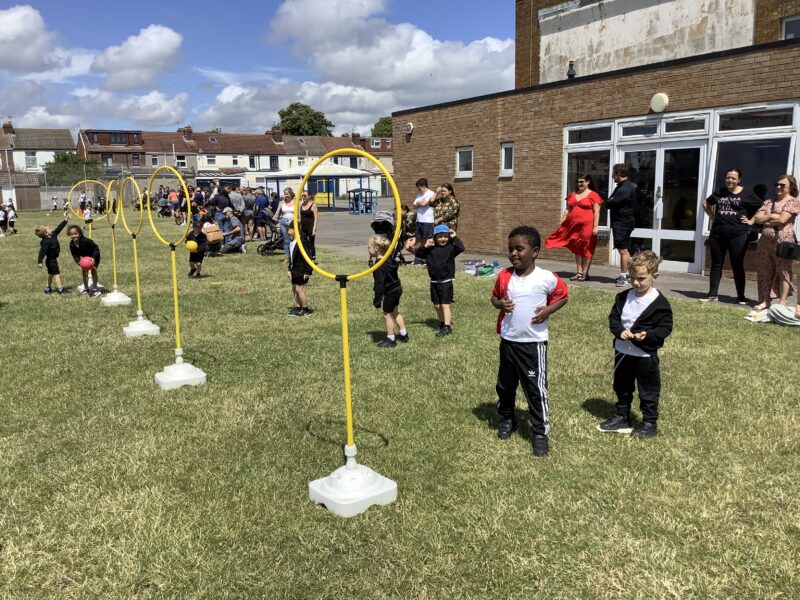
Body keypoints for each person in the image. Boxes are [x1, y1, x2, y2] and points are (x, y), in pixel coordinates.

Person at [490, 225, 569, 457]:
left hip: (533, 344)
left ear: (534, 251)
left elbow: (564, 296)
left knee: (535, 389)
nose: (513, 253)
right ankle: (507, 418)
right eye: (510, 249)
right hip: (508, 341)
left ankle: (540, 432)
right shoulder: (504, 276)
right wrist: (499, 304)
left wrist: (548, 310)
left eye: (519, 249)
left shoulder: (546, 278)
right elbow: (494, 298)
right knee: (505, 385)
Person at [599, 251, 673, 438]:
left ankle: (649, 421)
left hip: (645, 356)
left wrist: (647, 335)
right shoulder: (623, 297)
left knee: (648, 389)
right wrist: (619, 331)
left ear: (654, 277)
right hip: (623, 351)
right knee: (622, 385)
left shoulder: (659, 302)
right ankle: (622, 415)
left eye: (641, 278)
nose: (636, 283)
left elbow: (665, 327)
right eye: (632, 278)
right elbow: (614, 318)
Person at [701, 168, 763, 303]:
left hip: (738, 235)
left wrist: (752, 220)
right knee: (716, 264)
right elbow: (705, 203)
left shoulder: (747, 194)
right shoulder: (720, 192)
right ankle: (712, 294)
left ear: (739, 180)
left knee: (737, 264)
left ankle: (741, 296)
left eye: (733, 178)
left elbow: (762, 206)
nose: (730, 180)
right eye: (728, 177)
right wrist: (712, 216)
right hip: (717, 234)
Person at [741, 174, 800, 310]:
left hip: (783, 242)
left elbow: (782, 220)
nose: (778, 187)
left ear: (790, 186)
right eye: (777, 184)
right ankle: (764, 301)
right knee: (764, 271)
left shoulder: (793, 201)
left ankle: (782, 303)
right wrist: (770, 216)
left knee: (783, 271)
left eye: (782, 185)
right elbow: (756, 218)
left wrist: (766, 217)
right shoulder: (769, 201)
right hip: (765, 242)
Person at [544, 174, 603, 281]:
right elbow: (567, 210)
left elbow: (597, 212)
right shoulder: (572, 195)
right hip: (573, 226)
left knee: (586, 247)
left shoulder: (593, 195)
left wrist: (595, 227)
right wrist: (562, 222)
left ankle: (585, 273)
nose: (579, 184)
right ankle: (579, 272)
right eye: (578, 182)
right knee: (576, 247)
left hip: (587, 226)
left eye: (582, 182)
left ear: (588, 182)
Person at [417, 224, 465, 337]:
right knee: (437, 305)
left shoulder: (451, 248)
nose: (443, 239)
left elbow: (461, 247)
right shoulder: (430, 249)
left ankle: (447, 327)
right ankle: (442, 323)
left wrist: (454, 237)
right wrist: (426, 246)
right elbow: (418, 254)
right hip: (434, 281)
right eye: (440, 236)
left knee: (445, 305)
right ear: (434, 237)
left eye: (445, 236)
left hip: (446, 281)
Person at [369, 234, 409, 348]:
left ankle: (391, 339)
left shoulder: (379, 265)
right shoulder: (389, 259)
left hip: (390, 292)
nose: (368, 250)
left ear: (376, 248)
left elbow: (379, 284)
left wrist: (377, 299)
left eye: (369, 247)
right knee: (395, 311)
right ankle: (403, 334)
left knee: (387, 314)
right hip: (397, 288)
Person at [605, 164, 637, 287]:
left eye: (614, 173)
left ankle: (623, 277)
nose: (612, 176)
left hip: (622, 223)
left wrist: (609, 202)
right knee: (626, 250)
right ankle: (628, 274)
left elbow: (609, 203)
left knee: (623, 251)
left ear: (619, 173)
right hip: (624, 222)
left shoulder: (624, 188)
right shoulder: (626, 186)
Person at [36, 214, 69, 294]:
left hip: (52, 260)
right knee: (57, 274)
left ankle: (48, 288)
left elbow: (59, 228)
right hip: (51, 260)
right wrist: (40, 261)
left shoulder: (53, 235)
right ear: (46, 233)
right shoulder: (45, 242)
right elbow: (42, 252)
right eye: (49, 229)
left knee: (50, 274)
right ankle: (60, 288)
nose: (51, 229)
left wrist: (65, 220)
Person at [67, 224, 101, 297]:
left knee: (93, 270)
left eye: (75, 234)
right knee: (84, 272)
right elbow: (74, 254)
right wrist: (78, 261)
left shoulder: (86, 241)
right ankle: (86, 289)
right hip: (84, 259)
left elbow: (96, 249)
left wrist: (93, 258)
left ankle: (95, 288)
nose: (74, 235)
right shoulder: (71, 244)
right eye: (71, 234)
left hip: (94, 256)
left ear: (79, 233)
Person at [287, 223, 312, 317]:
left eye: (289, 229)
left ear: (295, 230)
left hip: (301, 269)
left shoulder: (302, 242)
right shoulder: (292, 241)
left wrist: (307, 271)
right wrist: (289, 269)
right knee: (294, 288)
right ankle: (299, 307)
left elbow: (307, 257)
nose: (288, 230)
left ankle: (305, 309)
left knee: (299, 288)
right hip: (294, 268)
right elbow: (291, 257)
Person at [412, 178, 436, 265]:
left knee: (427, 240)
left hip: (428, 220)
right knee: (421, 239)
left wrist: (419, 203)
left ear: (424, 186)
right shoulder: (419, 194)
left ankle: (428, 258)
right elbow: (414, 205)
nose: (418, 189)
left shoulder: (431, 193)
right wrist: (419, 203)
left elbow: (424, 204)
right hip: (419, 220)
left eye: (419, 187)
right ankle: (422, 258)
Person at [274, 187, 296, 264]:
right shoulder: (281, 202)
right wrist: (277, 224)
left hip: (294, 223)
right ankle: (287, 258)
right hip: (283, 222)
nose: (286, 195)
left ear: (291, 194)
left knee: (294, 240)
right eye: (285, 194)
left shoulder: (296, 202)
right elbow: (277, 213)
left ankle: (294, 257)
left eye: (287, 194)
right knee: (286, 241)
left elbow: (299, 213)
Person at [299, 190, 318, 262]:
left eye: (305, 196)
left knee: (311, 243)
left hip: (310, 226)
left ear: (309, 196)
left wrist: (314, 229)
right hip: (303, 227)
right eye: (302, 196)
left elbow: (316, 218)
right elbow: (300, 217)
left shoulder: (313, 205)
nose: (303, 197)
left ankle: (313, 258)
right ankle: (306, 256)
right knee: (303, 241)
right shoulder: (301, 205)